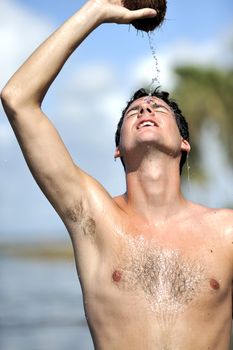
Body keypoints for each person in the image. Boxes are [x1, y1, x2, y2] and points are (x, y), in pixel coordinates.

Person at [1, 1, 233, 349]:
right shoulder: (94, 218)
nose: (146, 108)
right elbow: (17, 98)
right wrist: (96, 10)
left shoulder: (227, 231)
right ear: (118, 149)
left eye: (159, 107)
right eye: (133, 111)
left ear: (184, 142)